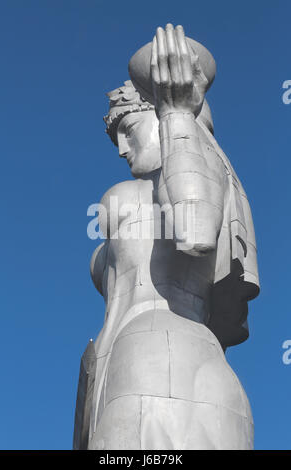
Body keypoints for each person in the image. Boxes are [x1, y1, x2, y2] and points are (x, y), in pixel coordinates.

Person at [78, 24, 260, 450]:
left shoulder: (190, 178)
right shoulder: (143, 195)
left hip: (152, 366)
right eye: (113, 139)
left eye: (129, 128)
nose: (122, 149)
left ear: (157, 112)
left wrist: (177, 111)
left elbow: (194, 231)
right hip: (175, 366)